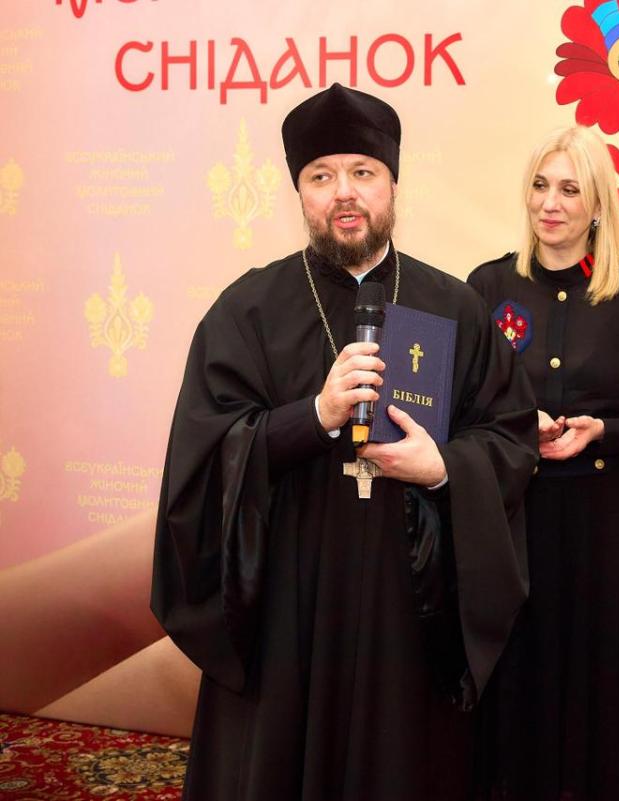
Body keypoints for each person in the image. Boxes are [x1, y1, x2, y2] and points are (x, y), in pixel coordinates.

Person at [149, 83, 538, 801]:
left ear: (393, 183)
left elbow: (510, 438)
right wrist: (314, 416)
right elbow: (202, 459)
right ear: (299, 193)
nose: (344, 193)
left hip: (408, 610)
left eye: (363, 172)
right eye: (321, 176)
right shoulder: (247, 309)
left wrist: (444, 467)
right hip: (286, 610)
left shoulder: (454, 306)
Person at [467, 125, 619, 801]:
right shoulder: (487, 285)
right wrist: (515, 423)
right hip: (516, 527)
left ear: (596, 206)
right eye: (540, 185)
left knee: (604, 701)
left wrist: (604, 432)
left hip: (607, 533)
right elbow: (457, 409)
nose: (550, 203)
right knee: (518, 695)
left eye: (569, 189)